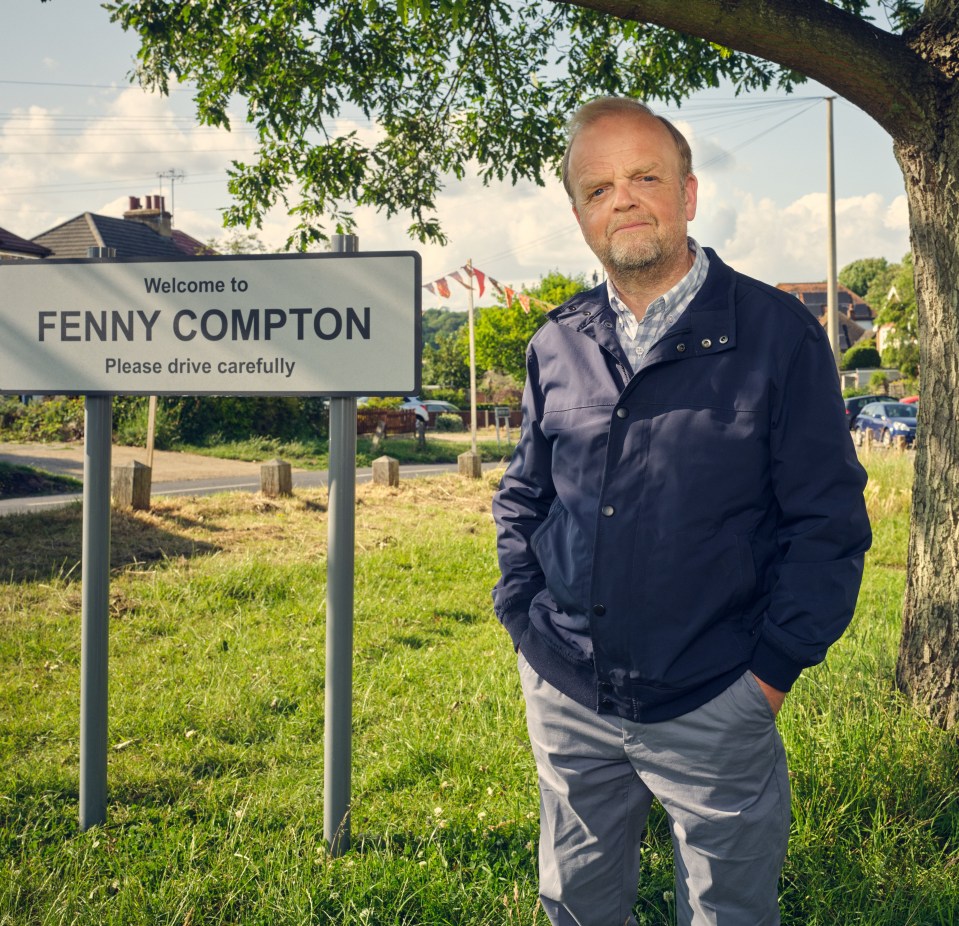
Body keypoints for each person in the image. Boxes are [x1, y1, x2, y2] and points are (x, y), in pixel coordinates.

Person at [491, 96, 871, 926]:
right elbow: (524, 493)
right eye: (596, 188)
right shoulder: (555, 343)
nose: (620, 199)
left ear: (688, 195)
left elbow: (827, 524)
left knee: (727, 912)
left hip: (716, 697)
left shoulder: (777, 336)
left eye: (643, 177)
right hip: (568, 692)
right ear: (578, 213)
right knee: (577, 906)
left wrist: (767, 676)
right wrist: (523, 618)